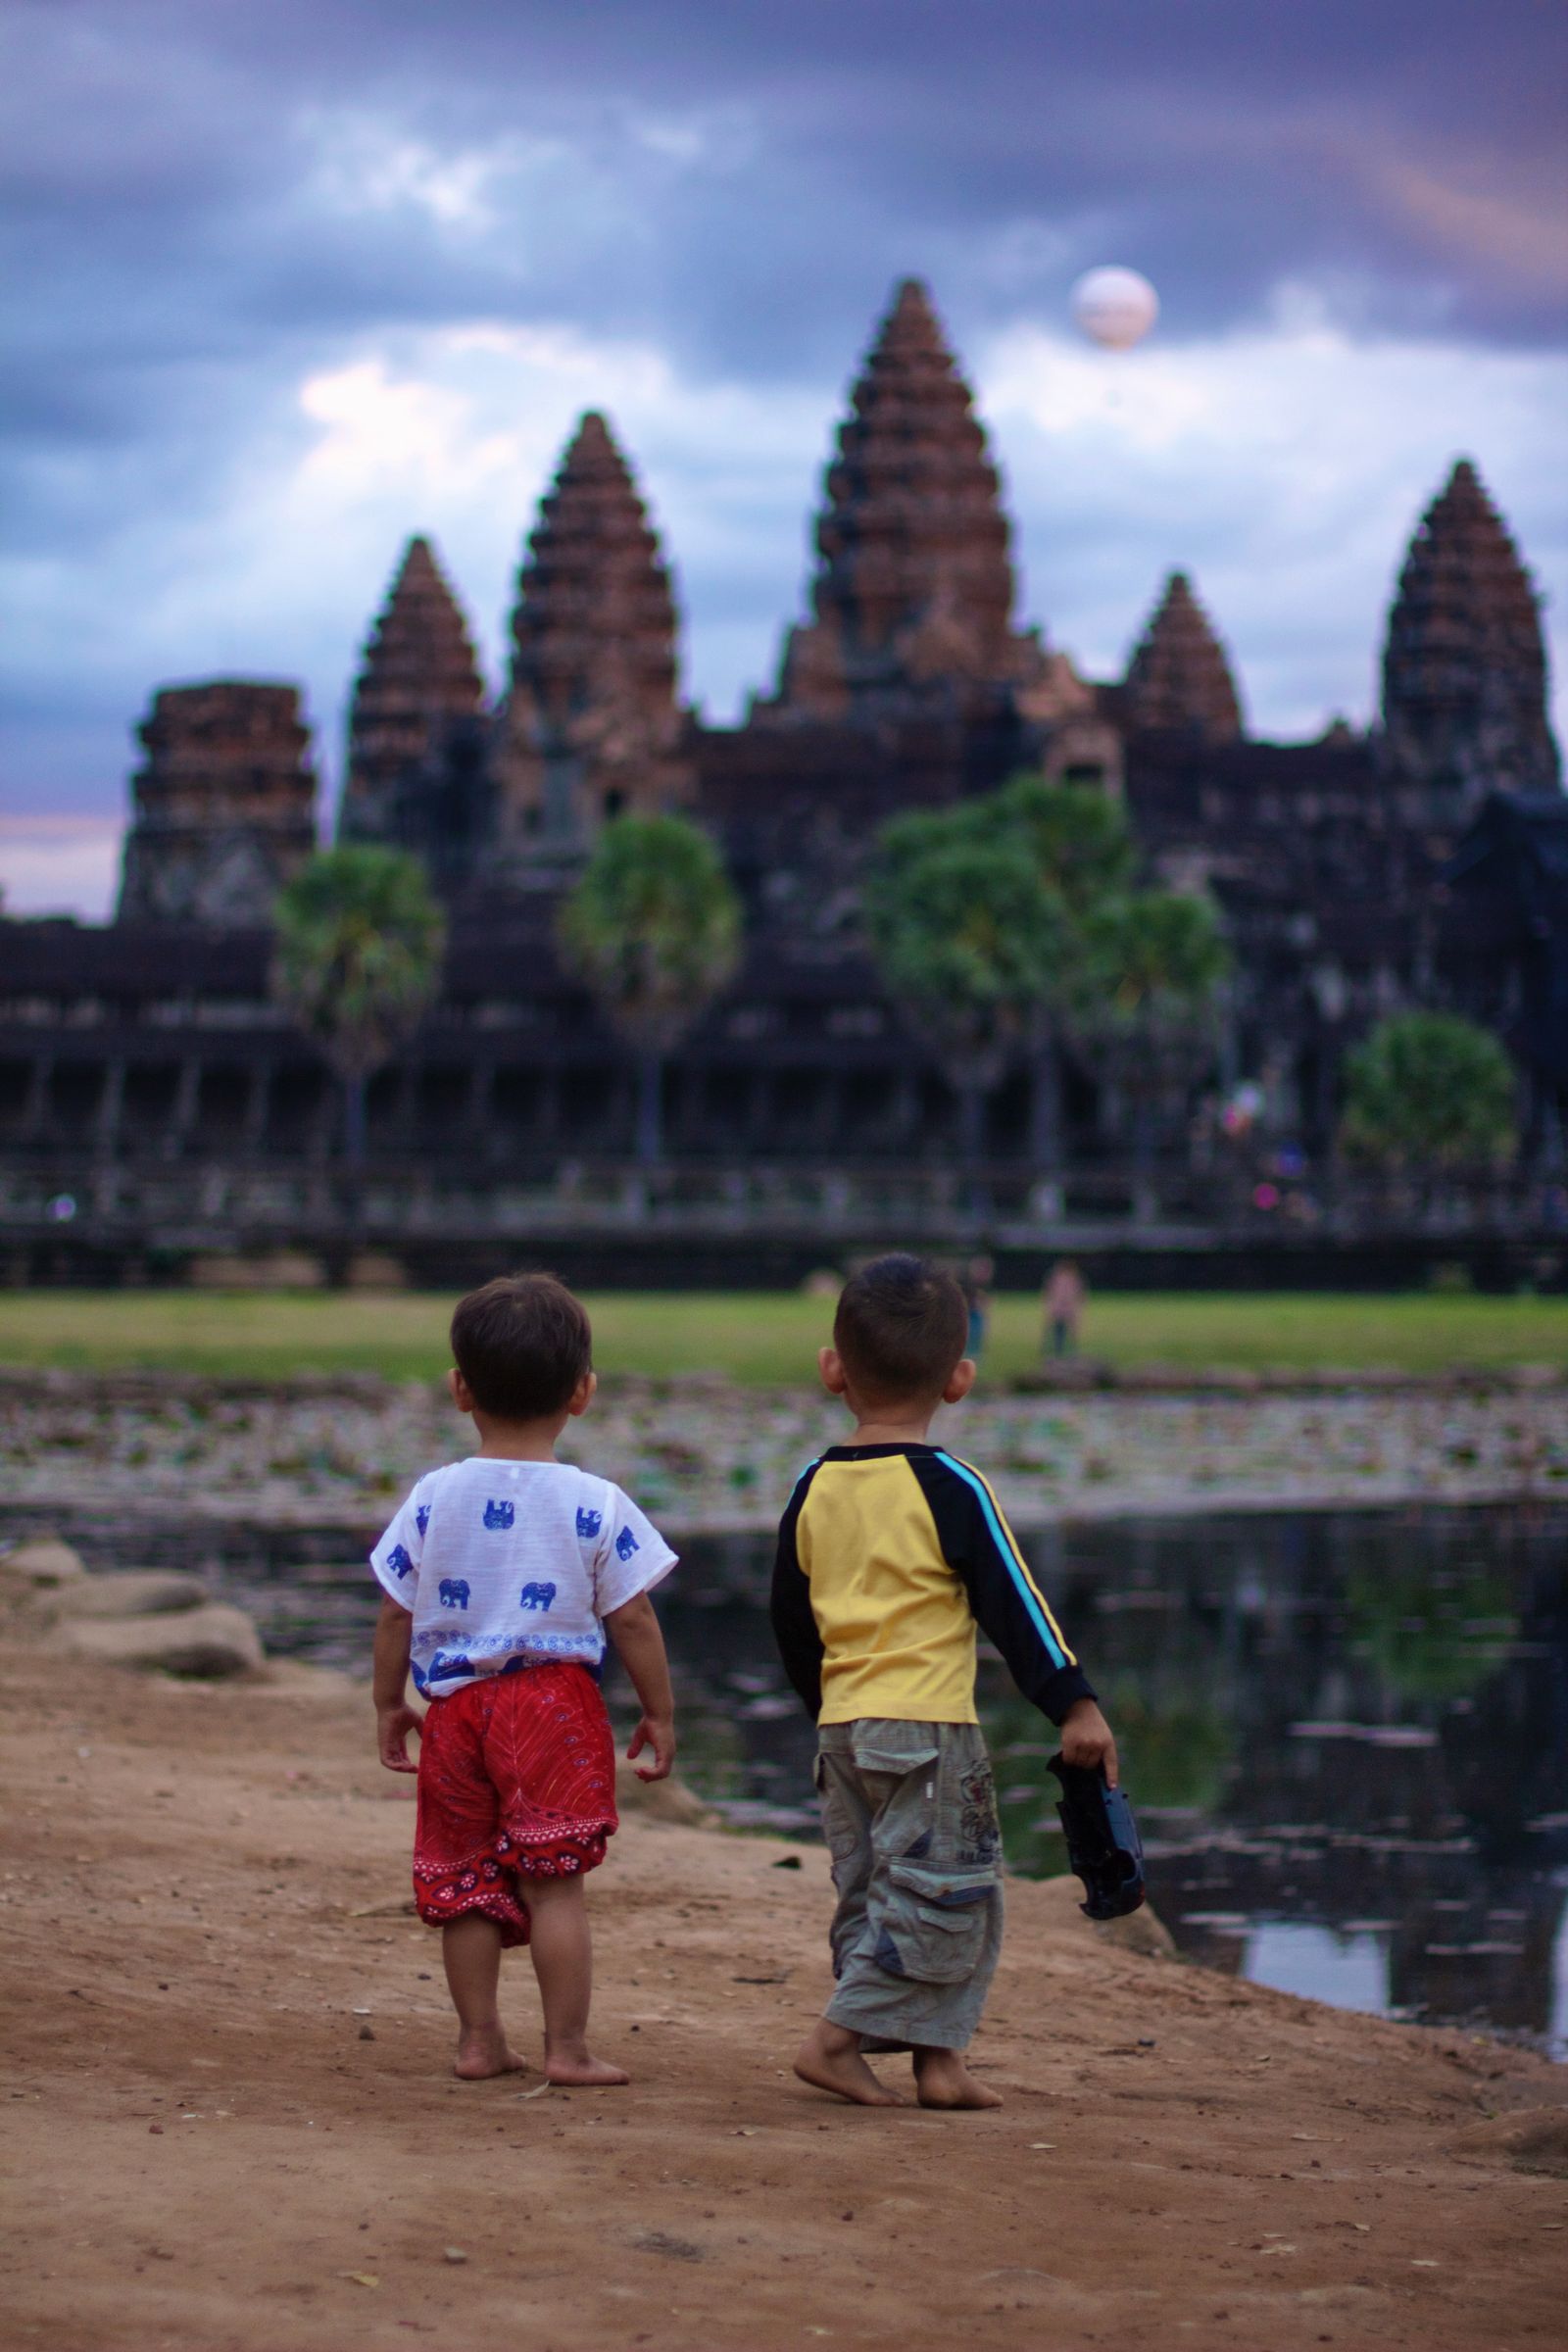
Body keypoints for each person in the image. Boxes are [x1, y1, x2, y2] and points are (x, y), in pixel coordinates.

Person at [770, 1252, 1117, 2110]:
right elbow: (1015, 1605)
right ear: (960, 1379)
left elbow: (791, 1618)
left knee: (875, 1895)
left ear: (832, 1370)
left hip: (843, 1732)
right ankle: (834, 2042)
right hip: (927, 1729)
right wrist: (1073, 1702)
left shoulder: (813, 1486)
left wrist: (827, 1711)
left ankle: (939, 2062)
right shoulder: (951, 1486)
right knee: (953, 1893)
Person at [370, 1271, 678, 2087]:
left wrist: (387, 1703)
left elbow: (396, 1612)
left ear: (460, 1389)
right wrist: (659, 1711)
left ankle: (478, 2042)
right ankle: (566, 2048)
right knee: (556, 1886)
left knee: (465, 1879)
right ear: (582, 1392)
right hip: (553, 1704)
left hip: (456, 1706)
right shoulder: (595, 1501)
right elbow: (634, 1618)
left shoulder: (434, 1496)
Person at [1043, 1257, 1085, 1359]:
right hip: (1060, 1308)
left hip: (1066, 1308)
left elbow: (1079, 1293)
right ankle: (1058, 1350)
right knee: (1058, 1329)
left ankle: (1068, 1350)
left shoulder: (1072, 1278)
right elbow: (1049, 1291)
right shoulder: (1058, 1278)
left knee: (1068, 1330)